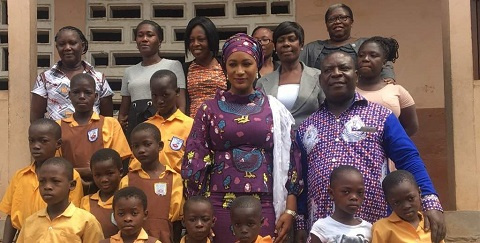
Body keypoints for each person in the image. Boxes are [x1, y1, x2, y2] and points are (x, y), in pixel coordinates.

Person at [295, 51, 445, 243]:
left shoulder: (381, 117)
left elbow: (408, 158)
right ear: (320, 79)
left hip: (375, 230)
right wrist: (300, 222)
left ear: (356, 75)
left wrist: (430, 202)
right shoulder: (307, 127)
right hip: (323, 232)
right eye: (328, 70)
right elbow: (301, 180)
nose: (336, 73)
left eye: (344, 68)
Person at [182, 33, 303, 243]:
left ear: (257, 66)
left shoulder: (274, 108)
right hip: (218, 204)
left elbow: (292, 159)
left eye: (246, 64)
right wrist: (199, 211)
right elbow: (195, 159)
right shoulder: (208, 109)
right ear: (224, 67)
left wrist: (290, 211)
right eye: (233, 64)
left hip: (264, 204)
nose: (240, 71)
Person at [0, 119, 83, 243]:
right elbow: (11, 215)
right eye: (31, 141)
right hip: (25, 237)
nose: (36, 146)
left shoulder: (71, 175)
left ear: (58, 144)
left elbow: (74, 215)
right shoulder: (20, 175)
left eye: (43, 141)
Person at [58, 73, 131, 194]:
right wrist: (85, 173)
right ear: (69, 95)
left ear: (96, 96)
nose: (82, 97)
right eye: (76, 92)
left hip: (106, 192)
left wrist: (84, 172)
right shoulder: (58, 126)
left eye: (87, 92)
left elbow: (121, 163)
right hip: (70, 192)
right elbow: (56, 166)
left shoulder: (110, 124)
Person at [118, 20, 186, 138]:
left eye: (150, 35)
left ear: (160, 41)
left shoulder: (173, 65)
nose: (144, 39)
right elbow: (123, 112)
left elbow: (181, 106)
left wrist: (178, 131)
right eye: (140, 35)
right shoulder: (129, 71)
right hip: (136, 128)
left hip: (166, 124)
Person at [31, 26, 113, 122]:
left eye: (72, 43)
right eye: (62, 44)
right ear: (57, 47)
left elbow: (107, 119)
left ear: (82, 46)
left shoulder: (98, 78)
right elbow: (36, 118)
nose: (67, 48)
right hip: (58, 135)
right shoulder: (45, 78)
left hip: (91, 135)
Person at [120, 123, 183, 243]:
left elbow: (177, 220)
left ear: (160, 146)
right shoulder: (127, 180)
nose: (141, 150)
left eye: (147, 144)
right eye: (136, 146)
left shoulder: (174, 178)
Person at [16, 157, 104, 243]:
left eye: (55, 181)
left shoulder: (86, 222)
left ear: (72, 185)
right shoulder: (30, 223)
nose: (47, 187)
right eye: (42, 181)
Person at [256, 21, 324, 130]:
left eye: (291, 39)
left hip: (311, 142)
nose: (286, 44)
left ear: (301, 44)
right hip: (276, 143)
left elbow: (328, 111)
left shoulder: (318, 77)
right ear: (275, 47)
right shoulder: (263, 82)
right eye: (281, 40)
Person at [299, 3, 394, 80]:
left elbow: (384, 62)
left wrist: (388, 77)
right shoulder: (312, 48)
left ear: (351, 22)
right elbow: (297, 67)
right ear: (326, 25)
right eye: (332, 19)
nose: (337, 22)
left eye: (343, 18)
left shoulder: (365, 44)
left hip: (361, 96)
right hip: (321, 99)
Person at [129, 70, 194, 173]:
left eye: (165, 95)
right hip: (146, 184)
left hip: (176, 186)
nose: (159, 101)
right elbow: (134, 163)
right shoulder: (145, 127)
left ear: (177, 92)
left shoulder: (190, 125)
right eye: (155, 95)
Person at [356, 36, 418, 136]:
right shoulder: (347, 92)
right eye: (361, 55)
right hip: (352, 150)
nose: (365, 59)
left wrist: (393, 142)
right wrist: (377, 132)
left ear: (384, 62)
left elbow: (411, 127)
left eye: (373, 55)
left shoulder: (397, 90)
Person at [372, 170, 445, 243]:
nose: (406, 206)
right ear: (388, 202)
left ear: (419, 193)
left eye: (410, 198)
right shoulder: (381, 228)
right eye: (397, 202)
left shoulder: (430, 222)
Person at [309, 166, 371, 243]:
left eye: (360, 193)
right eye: (346, 192)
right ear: (331, 193)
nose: (354, 197)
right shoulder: (322, 227)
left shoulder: (368, 229)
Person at [183, 16, 227, 117]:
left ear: (211, 40)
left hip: (221, 125)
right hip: (193, 127)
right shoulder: (184, 70)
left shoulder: (225, 67)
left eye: (201, 39)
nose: (195, 44)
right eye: (191, 40)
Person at [80, 148, 123, 238]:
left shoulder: (126, 200)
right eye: (98, 175)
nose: (104, 180)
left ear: (121, 172)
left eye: (109, 173)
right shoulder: (86, 201)